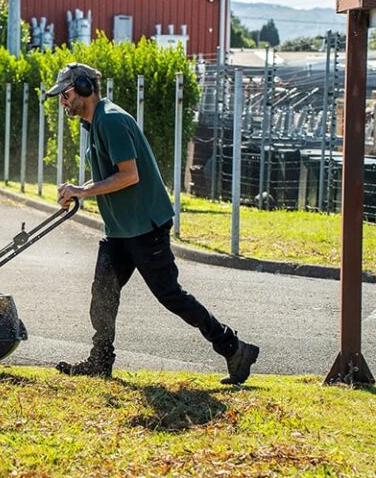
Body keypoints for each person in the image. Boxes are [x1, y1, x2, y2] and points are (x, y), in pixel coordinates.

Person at [46, 62, 259, 384]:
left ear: (84, 88)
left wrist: (82, 191)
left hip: (145, 227)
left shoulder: (112, 120)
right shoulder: (92, 124)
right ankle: (100, 361)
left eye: (65, 93)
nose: (62, 101)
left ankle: (234, 347)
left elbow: (129, 175)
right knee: (103, 293)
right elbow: (108, 174)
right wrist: (78, 191)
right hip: (120, 230)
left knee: (170, 294)